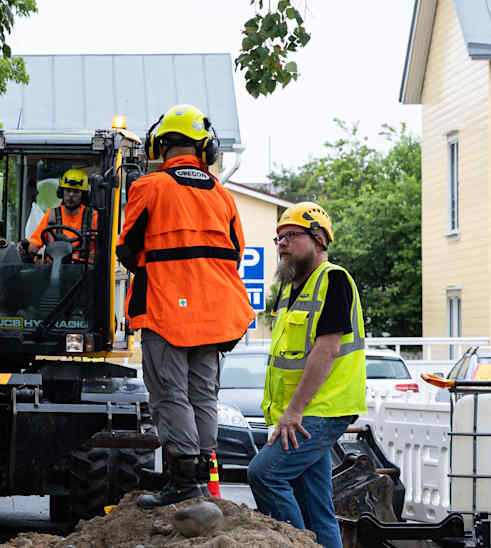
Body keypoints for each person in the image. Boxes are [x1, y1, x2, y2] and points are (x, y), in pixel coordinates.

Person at [116, 104, 254, 508]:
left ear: (161, 146)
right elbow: (236, 253)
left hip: (165, 311)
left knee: (169, 395)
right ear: (205, 149)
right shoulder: (224, 197)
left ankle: (182, 481)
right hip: (215, 316)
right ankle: (204, 476)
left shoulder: (149, 187)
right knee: (203, 397)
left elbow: (127, 248)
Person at [246, 202, 366, 548]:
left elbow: (326, 351)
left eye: (291, 236)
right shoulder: (287, 290)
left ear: (318, 239)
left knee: (265, 475)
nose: (282, 244)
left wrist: (294, 411)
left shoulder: (334, 279)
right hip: (303, 411)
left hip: (320, 409)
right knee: (315, 508)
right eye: (278, 238)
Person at [19, 168, 99, 263]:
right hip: (53, 268)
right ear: (61, 192)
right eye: (68, 190)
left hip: (84, 270)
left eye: (76, 191)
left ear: (84, 195)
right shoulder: (51, 215)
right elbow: (34, 245)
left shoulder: (93, 217)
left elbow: (102, 249)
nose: (71, 195)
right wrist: (24, 247)